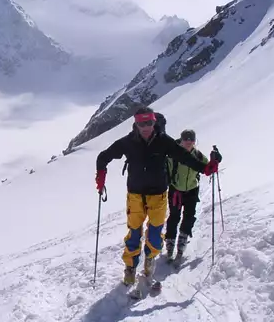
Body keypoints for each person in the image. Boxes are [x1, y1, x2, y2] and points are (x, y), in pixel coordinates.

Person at [95, 108, 220, 290]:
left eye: (149, 123)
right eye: (141, 123)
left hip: (158, 195)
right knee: (135, 232)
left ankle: (149, 262)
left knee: (154, 233)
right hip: (136, 195)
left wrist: (207, 168)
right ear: (135, 124)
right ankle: (130, 267)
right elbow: (103, 157)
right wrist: (101, 176)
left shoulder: (164, 141)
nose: (145, 127)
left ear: (154, 122)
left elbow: (185, 158)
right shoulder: (128, 142)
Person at [165, 129, 221, 262]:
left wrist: (216, 160)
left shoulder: (198, 155)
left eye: (191, 139)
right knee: (174, 217)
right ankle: (171, 242)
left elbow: (208, 167)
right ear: (182, 140)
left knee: (188, 217)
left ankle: (181, 240)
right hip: (176, 190)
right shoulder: (174, 154)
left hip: (191, 190)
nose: (189, 142)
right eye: (186, 139)